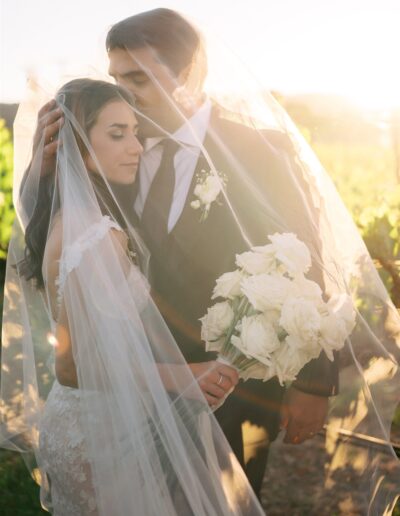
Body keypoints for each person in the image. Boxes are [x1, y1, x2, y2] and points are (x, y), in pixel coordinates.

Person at [0, 78, 264, 515]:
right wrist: (183, 377)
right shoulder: (95, 236)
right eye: (117, 134)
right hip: (99, 432)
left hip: (90, 420)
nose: (137, 146)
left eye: (135, 133)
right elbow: (70, 365)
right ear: (77, 142)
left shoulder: (66, 218)